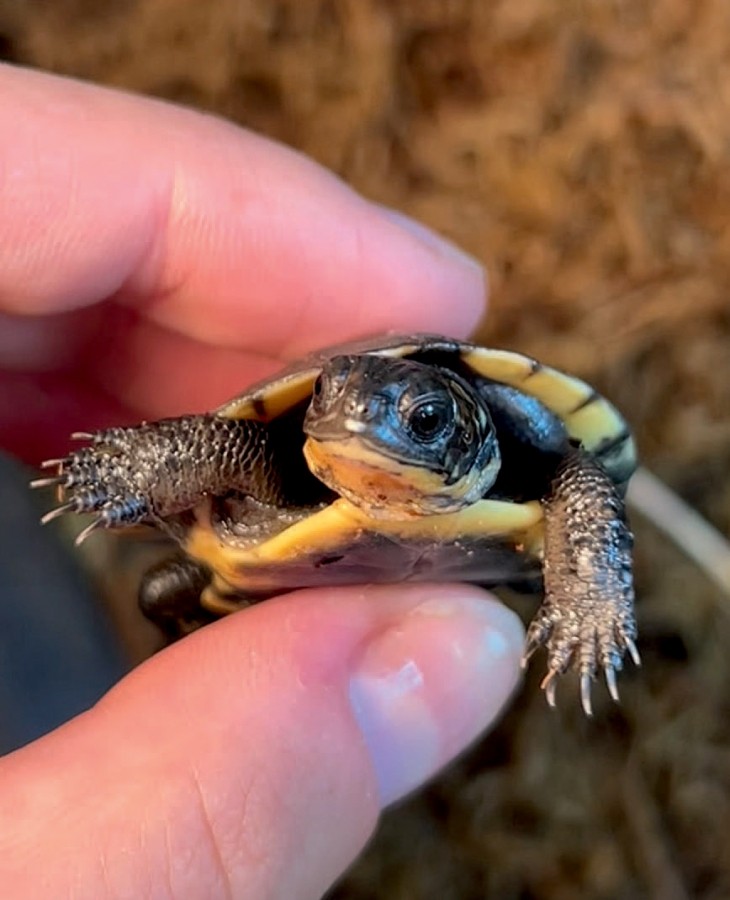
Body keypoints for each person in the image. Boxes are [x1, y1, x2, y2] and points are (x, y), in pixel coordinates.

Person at [0, 64, 524, 898]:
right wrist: (127, 470)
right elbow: (227, 445)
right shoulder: (275, 464)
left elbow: (581, 486)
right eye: (336, 402)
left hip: (463, 566)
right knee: (170, 588)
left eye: (421, 421)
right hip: (263, 584)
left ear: (467, 431)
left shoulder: (527, 459)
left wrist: (593, 598)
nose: (360, 422)